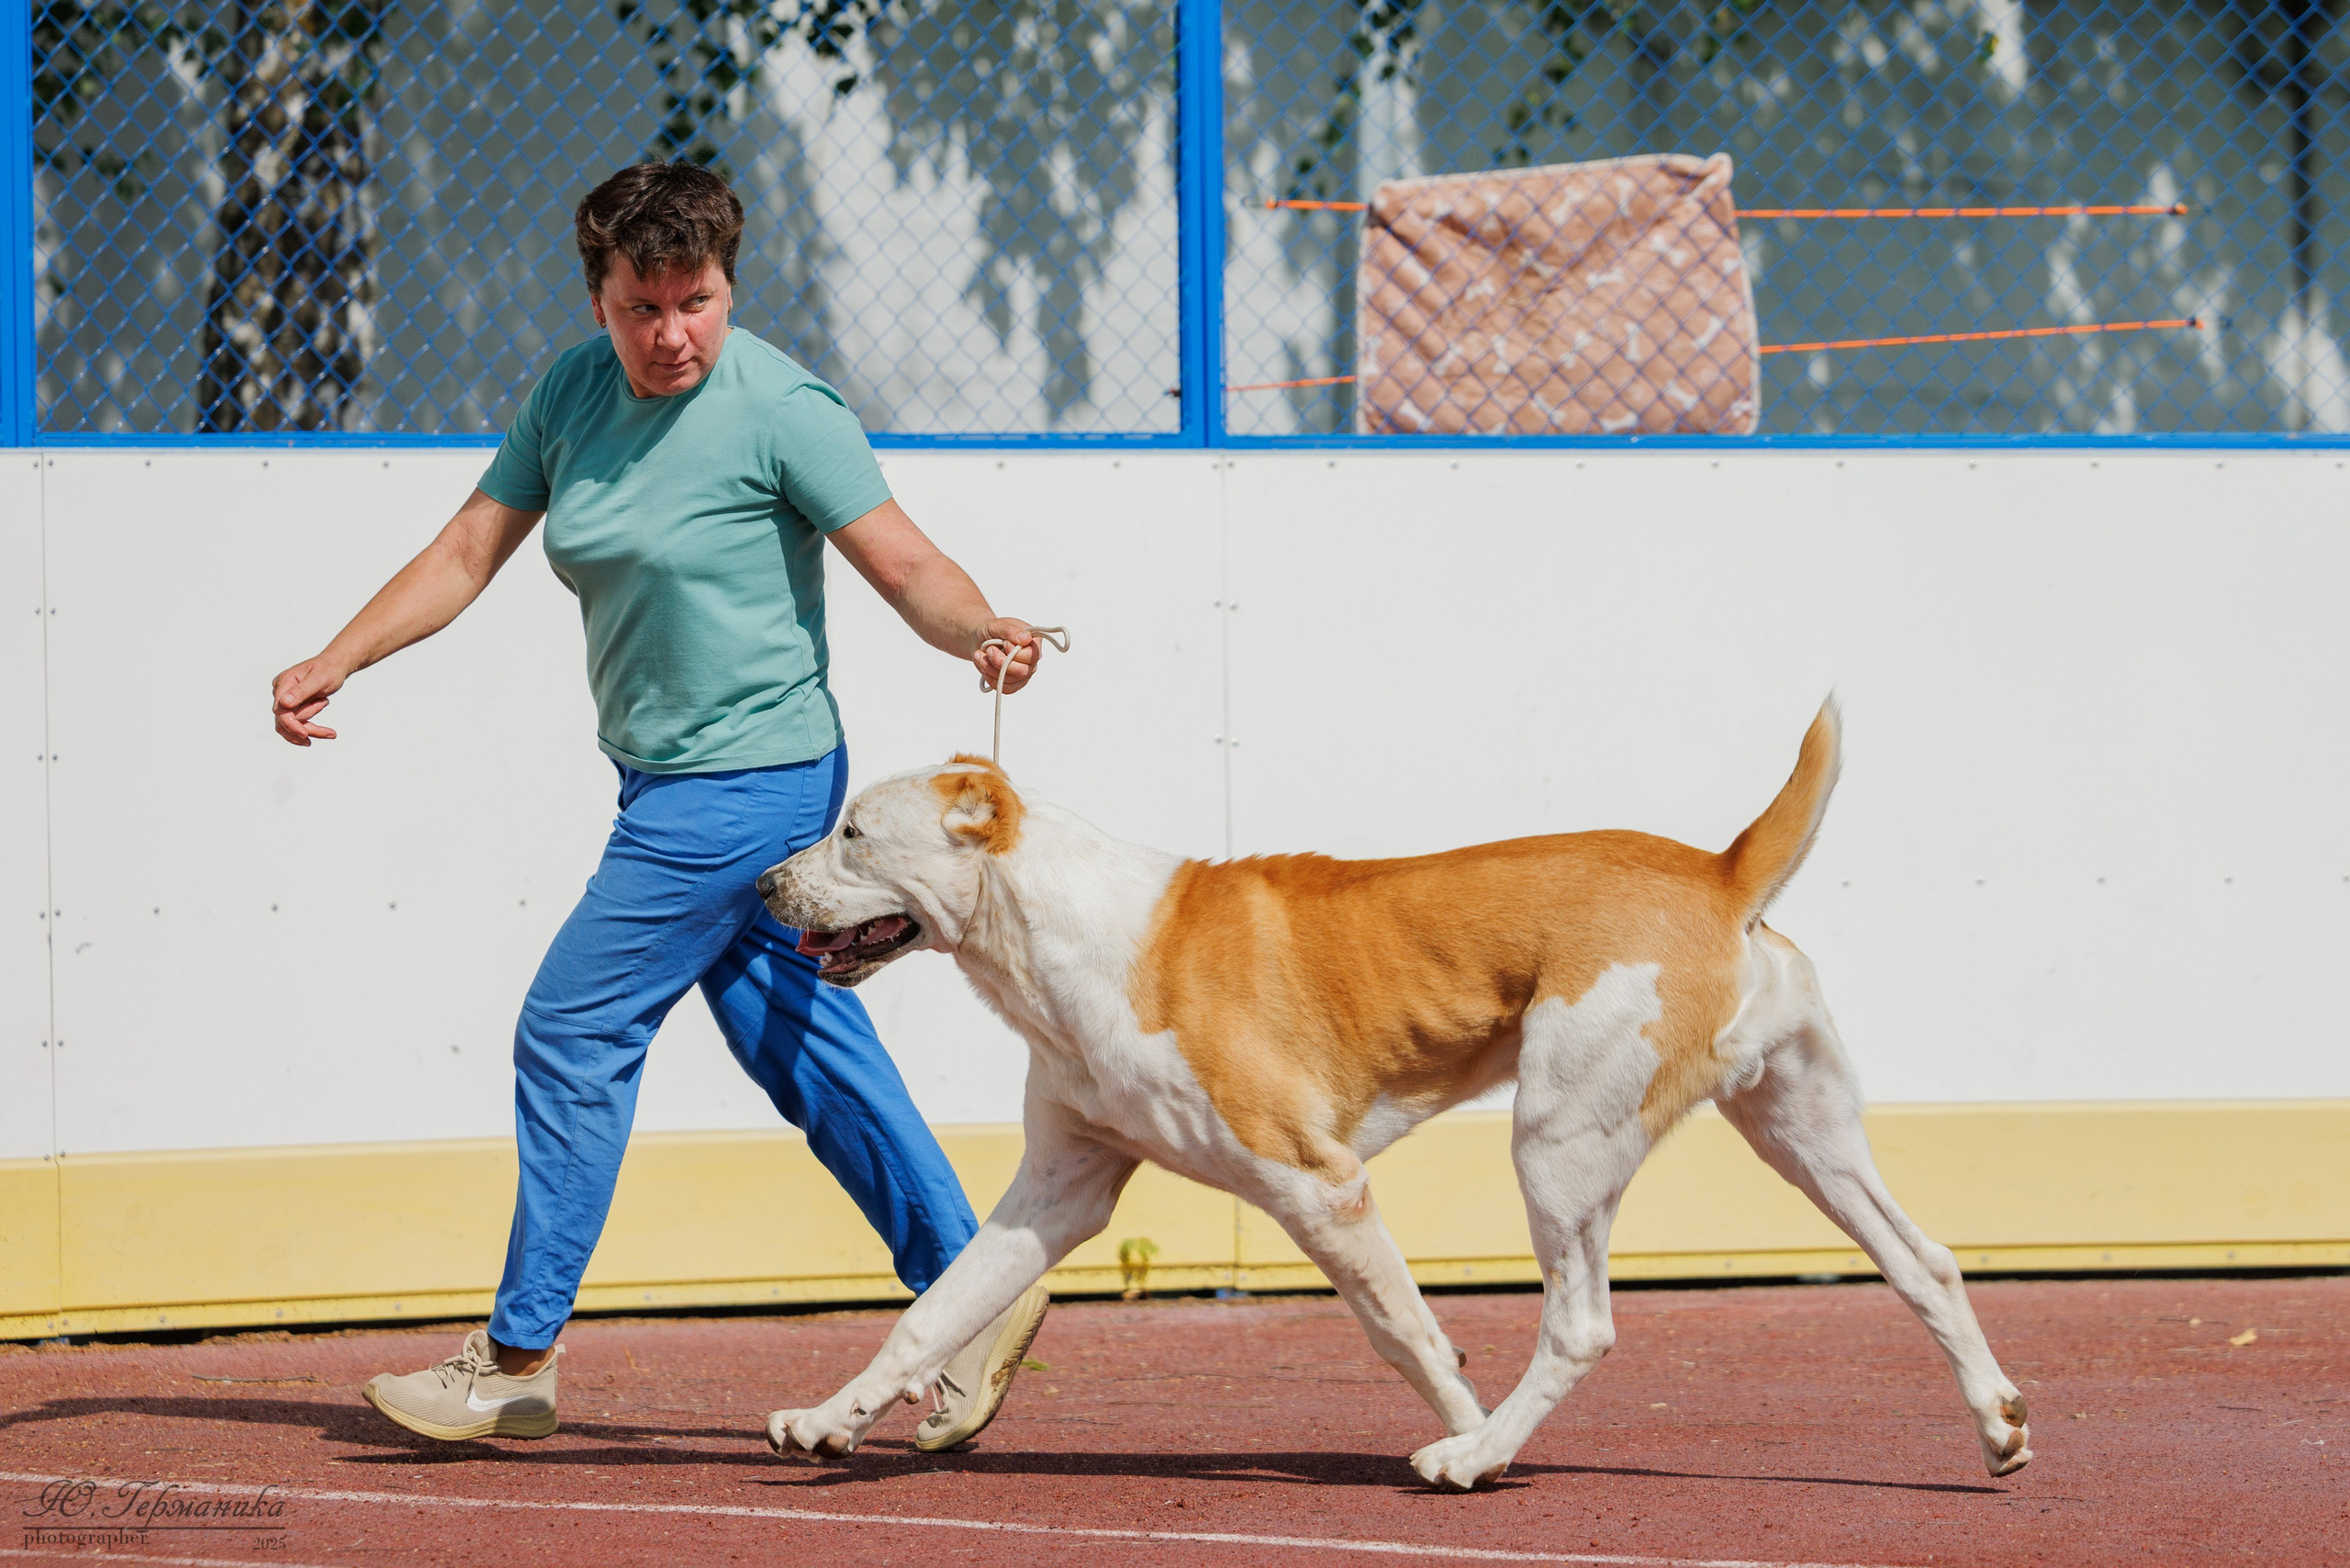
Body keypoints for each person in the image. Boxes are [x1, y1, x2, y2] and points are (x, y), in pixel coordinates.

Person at [269, 162, 1048, 1452]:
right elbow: (470, 548)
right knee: (804, 1046)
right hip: (663, 774)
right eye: (645, 306)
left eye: (698, 300)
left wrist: (981, 631)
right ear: (600, 299)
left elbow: (905, 561)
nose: (675, 332)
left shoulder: (785, 407)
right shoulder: (570, 398)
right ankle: (974, 1298)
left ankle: (518, 1355)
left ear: (727, 287)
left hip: (749, 783)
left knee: (571, 1029)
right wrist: (338, 655)